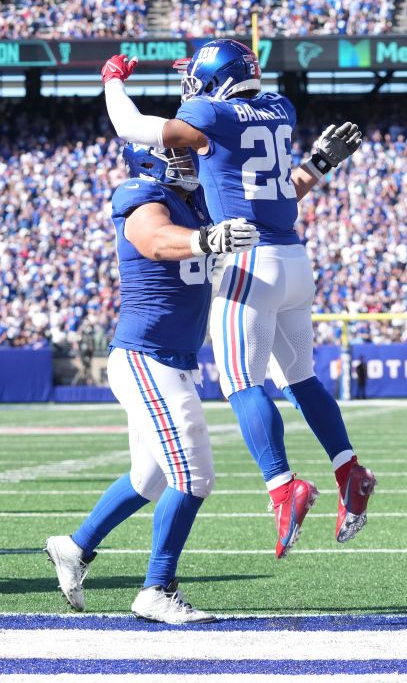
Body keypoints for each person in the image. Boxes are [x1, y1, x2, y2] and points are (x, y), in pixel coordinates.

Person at [100, 42, 377, 558]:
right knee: (300, 377)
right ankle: (349, 469)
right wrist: (318, 166)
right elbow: (271, 190)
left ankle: (282, 486)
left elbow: (131, 127)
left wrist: (112, 80)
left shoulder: (208, 113)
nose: (192, 88)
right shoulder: (279, 108)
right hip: (295, 259)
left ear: (215, 77)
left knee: (240, 381)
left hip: (251, 260)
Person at [43, 143, 259, 624]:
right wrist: (208, 241)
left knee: (149, 478)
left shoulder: (194, 201)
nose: (188, 161)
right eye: (177, 154)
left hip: (172, 359)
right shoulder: (140, 195)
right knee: (194, 476)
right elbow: (156, 241)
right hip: (147, 357)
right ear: (149, 159)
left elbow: (264, 204)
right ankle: (156, 590)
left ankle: (74, 547)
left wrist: (316, 168)